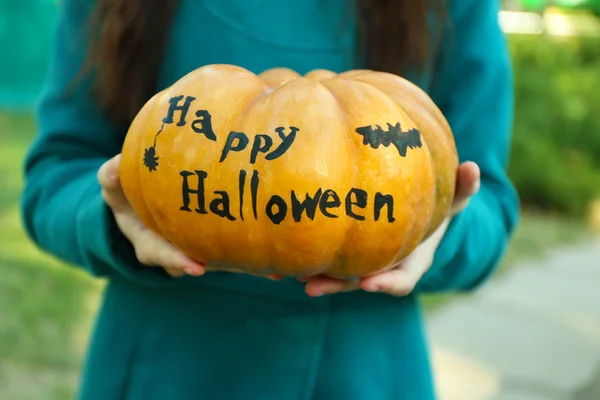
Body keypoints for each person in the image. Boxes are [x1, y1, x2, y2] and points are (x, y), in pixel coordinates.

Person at [20, 0, 520, 399]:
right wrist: (114, 222)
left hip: (358, 372)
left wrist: (431, 233)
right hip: (166, 365)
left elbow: (487, 205)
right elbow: (55, 177)